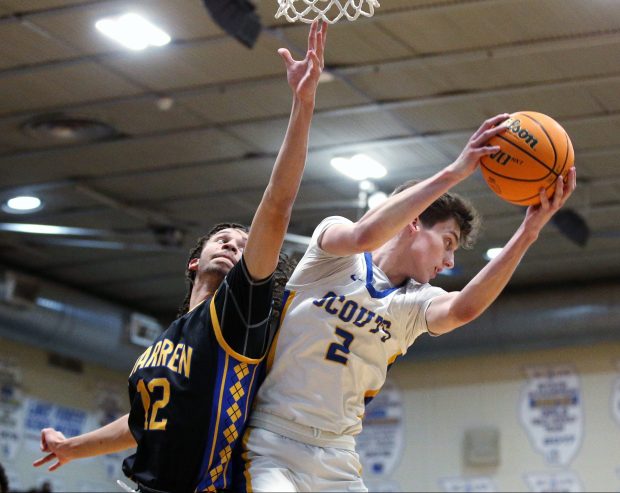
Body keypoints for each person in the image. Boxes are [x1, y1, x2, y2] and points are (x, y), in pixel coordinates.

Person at [32, 20, 328, 493]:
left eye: (243, 241)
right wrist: (73, 448)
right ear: (194, 261)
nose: (234, 243)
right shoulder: (164, 340)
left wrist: (303, 104)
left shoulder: (238, 314)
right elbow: (144, 420)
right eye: (222, 239)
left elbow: (277, 203)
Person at [238, 115, 577, 492]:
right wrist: (453, 172)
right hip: (274, 442)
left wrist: (529, 232)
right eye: (448, 242)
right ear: (414, 221)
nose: (449, 262)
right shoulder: (334, 253)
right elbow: (366, 233)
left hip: (337, 453)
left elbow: (464, 309)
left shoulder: (416, 303)